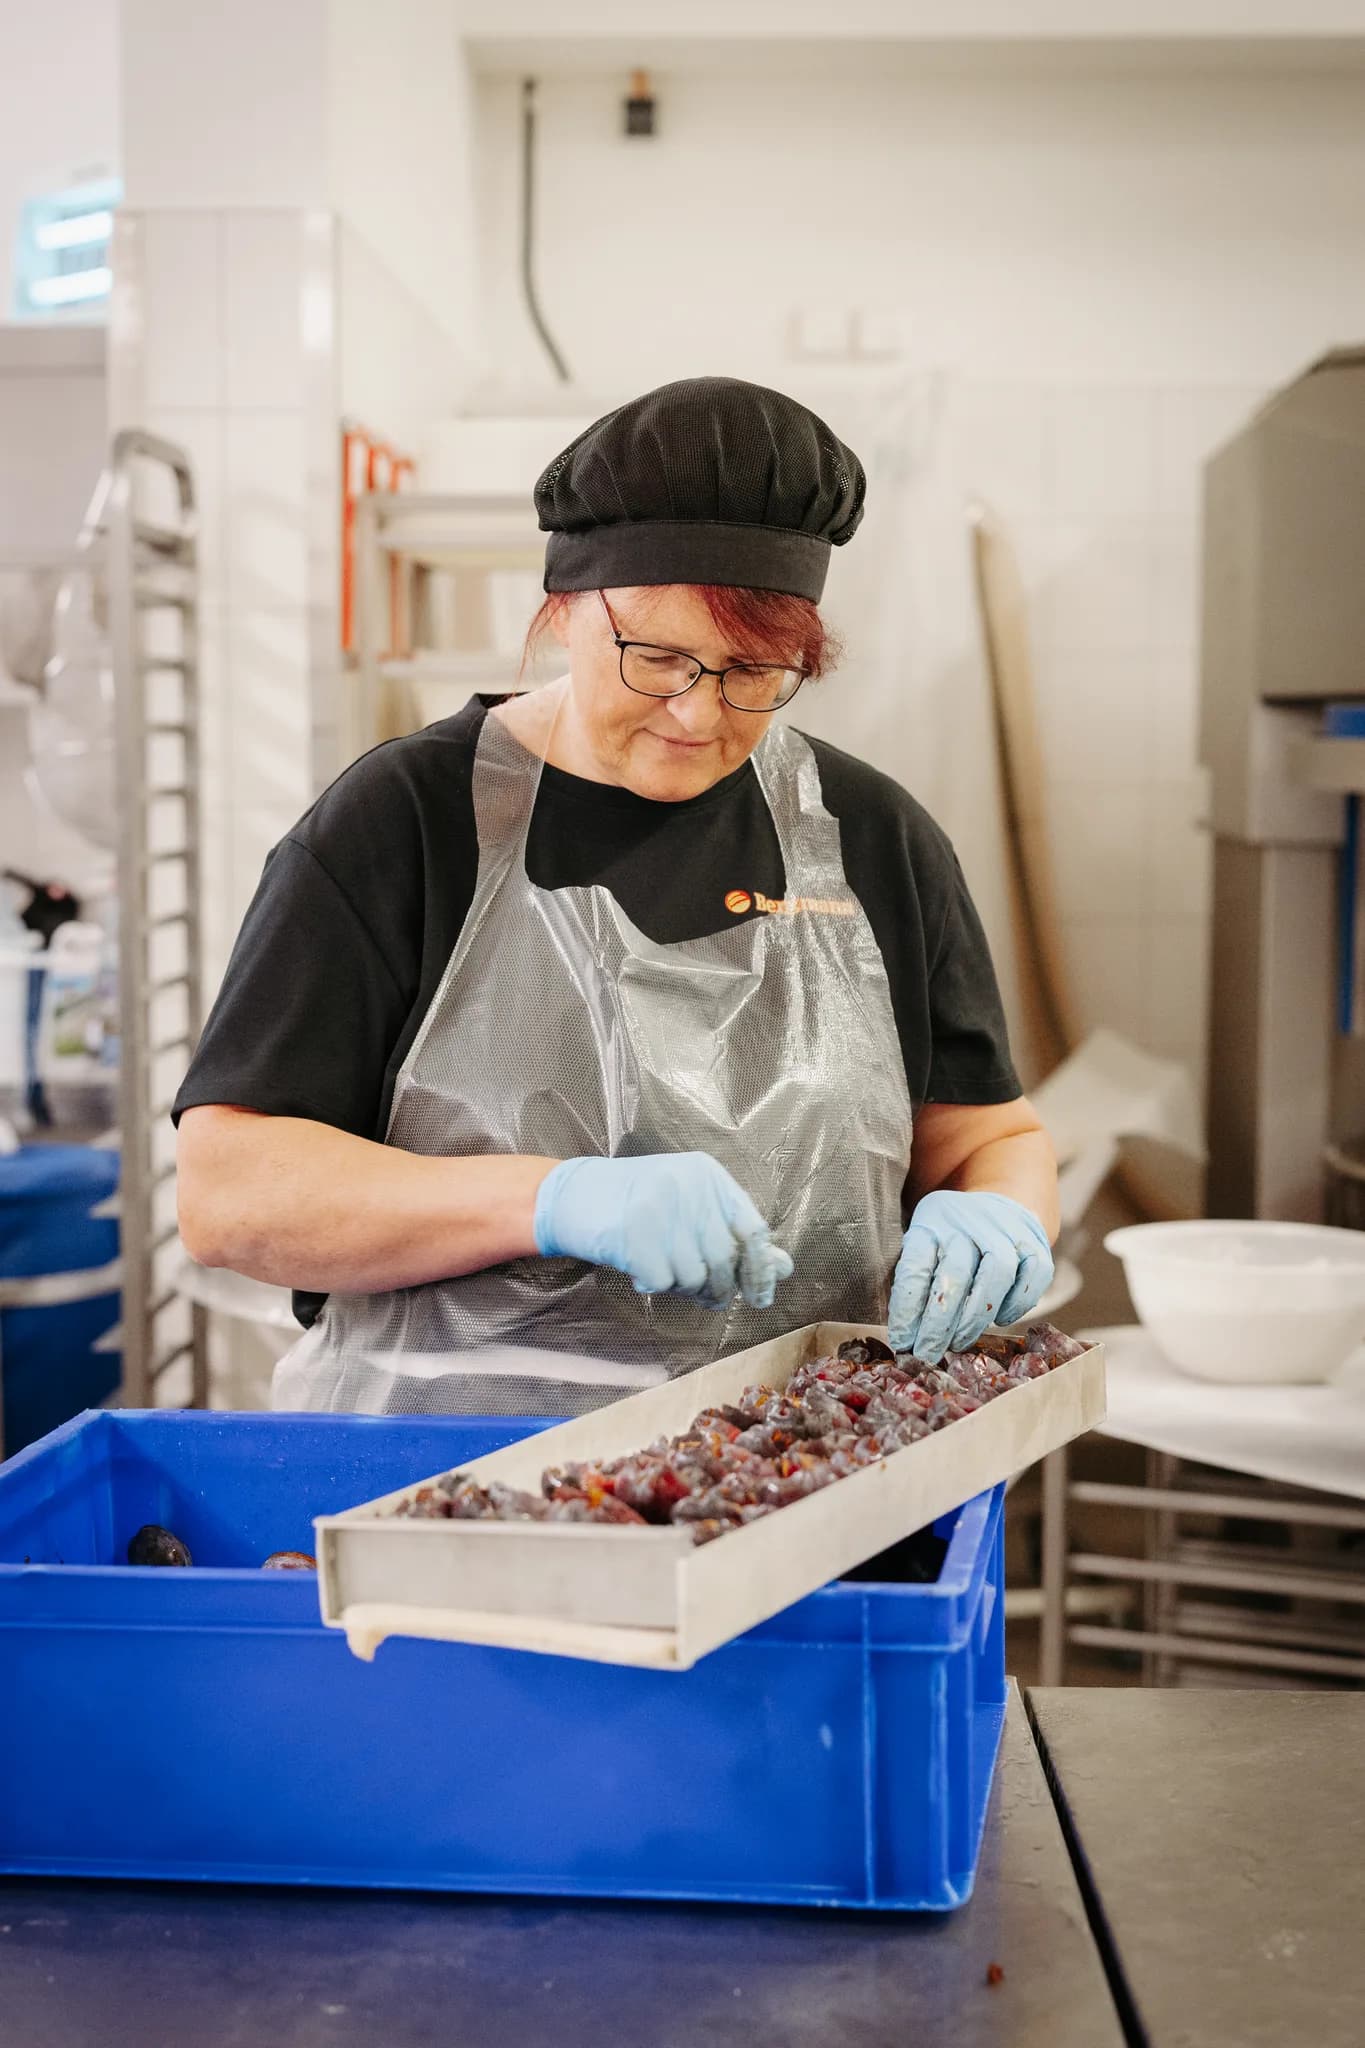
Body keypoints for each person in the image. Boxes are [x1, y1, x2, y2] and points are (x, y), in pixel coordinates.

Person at [174, 377, 1058, 1415]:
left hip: (797, 1482)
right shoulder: (401, 824)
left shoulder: (873, 838)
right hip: (443, 1492)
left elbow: (990, 1138)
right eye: (658, 656)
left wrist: (1005, 1215)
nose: (697, 712)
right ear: (563, 610)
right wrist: (550, 1199)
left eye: (753, 671)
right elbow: (229, 1191)